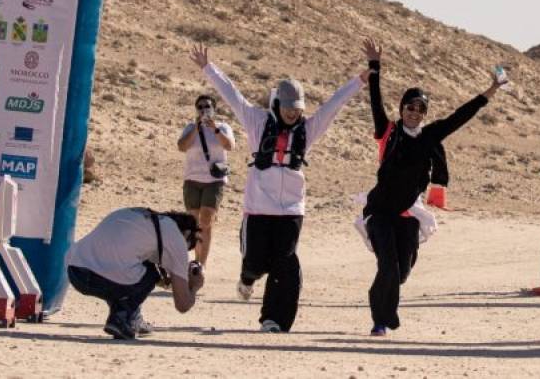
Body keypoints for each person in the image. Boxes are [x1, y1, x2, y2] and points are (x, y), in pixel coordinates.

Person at [191, 43, 370, 333]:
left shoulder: (308, 130)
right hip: (258, 208)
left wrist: (360, 81)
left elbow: (334, 105)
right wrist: (208, 68)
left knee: (285, 264)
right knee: (254, 261)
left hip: (291, 210)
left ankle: (274, 319)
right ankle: (247, 278)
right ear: (277, 104)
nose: (292, 113)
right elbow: (232, 95)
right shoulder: (256, 121)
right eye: (287, 107)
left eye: (297, 109)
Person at [360, 37, 505, 336]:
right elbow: (375, 98)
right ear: (401, 109)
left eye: (419, 108)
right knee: (387, 265)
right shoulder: (387, 131)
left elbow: (461, 116)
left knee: (401, 272)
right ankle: (381, 320)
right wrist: (375, 65)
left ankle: (384, 305)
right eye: (409, 107)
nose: (413, 112)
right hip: (380, 210)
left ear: (424, 113)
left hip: (409, 214)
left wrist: (490, 91)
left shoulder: (430, 136)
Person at [65, 207, 203, 340]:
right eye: (188, 247)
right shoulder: (176, 237)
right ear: (186, 234)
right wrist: (195, 286)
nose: (183, 252)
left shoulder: (146, 219)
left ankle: (132, 318)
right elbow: (183, 305)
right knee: (151, 273)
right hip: (100, 277)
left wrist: (172, 278)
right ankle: (121, 316)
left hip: (75, 272)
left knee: (129, 272)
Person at [177, 93, 235, 267]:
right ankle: (195, 261)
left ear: (214, 109)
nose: (203, 110)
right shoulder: (190, 128)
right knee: (194, 223)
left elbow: (230, 146)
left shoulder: (223, 127)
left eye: (207, 106)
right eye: (200, 107)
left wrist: (214, 129)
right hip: (192, 180)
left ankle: (200, 265)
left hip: (214, 181)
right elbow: (181, 146)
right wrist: (196, 128)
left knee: (206, 221)